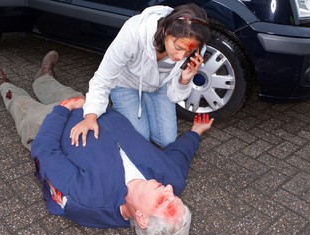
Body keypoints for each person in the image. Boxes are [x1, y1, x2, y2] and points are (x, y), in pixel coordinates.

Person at [0, 51, 214, 235]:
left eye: (164, 200)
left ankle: (2, 83)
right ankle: (44, 78)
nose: (170, 189)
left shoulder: (88, 200)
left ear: (141, 218)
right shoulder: (170, 178)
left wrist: (61, 113)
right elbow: (180, 156)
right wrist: (196, 132)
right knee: (55, 88)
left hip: (45, 126)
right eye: (174, 196)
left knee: (20, 104)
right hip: (91, 110)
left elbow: (45, 152)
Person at [70, 3, 210, 148]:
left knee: (167, 141)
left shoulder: (195, 51)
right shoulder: (135, 31)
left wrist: (184, 80)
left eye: (187, 52)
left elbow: (174, 97)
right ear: (165, 30)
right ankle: (114, 111)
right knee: (139, 140)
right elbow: (103, 78)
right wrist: (90, 116)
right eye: (178, 47)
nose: (180, 56)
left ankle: (141, 107)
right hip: (126, 85)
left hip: (158, 87)